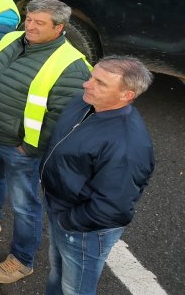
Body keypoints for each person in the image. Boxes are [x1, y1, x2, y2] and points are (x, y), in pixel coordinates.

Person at [0, 0, 93, 284]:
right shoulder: (12, 38)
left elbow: (62, 120)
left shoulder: (71, 65)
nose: (30, 25)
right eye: (28, 18)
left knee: (24, 204)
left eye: (39, 22)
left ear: (59, 27)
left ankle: (22, 259)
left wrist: (31, 148)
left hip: (21, 148)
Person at [41, 57, 155, 295]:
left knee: (76, 288)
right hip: (62, 209)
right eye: (91, 76)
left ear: (127, 95)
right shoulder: (85, 104)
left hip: (82, 228)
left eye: (100, 82)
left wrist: (68, 221)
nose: (87, 84)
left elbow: (113, 207)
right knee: (57, 273)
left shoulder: (127, 145)